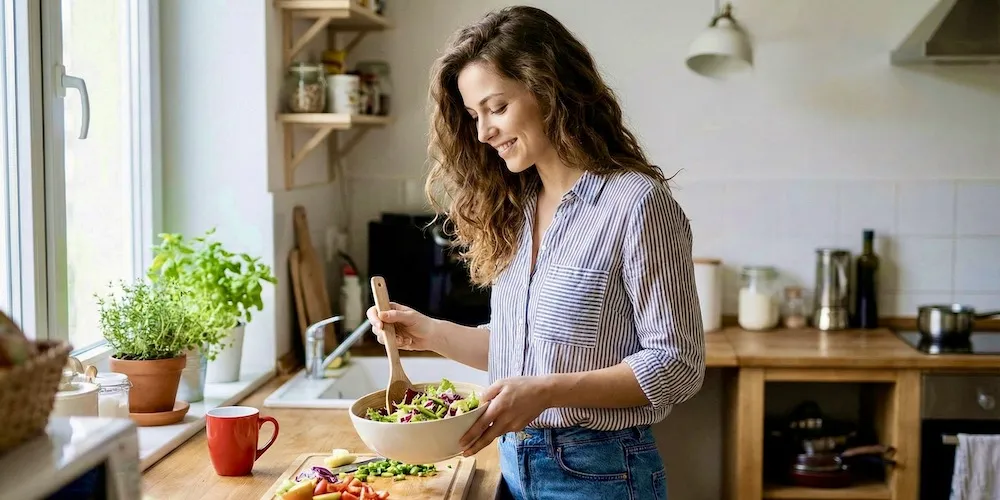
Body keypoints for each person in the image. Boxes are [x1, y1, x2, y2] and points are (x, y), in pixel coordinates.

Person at [365, 5, 705, 499]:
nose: (483, 133)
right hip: (515, 467)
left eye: (496, 107)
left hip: (601, 473)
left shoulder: (636, 204)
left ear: (550, 91)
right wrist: (428, 332)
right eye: (473, 115)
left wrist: (547, 391)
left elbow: (677, 364)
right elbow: (521, 350)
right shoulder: (518, 208)